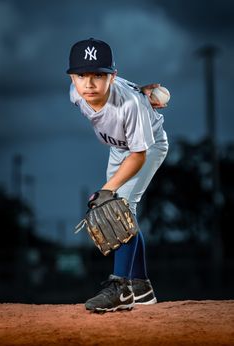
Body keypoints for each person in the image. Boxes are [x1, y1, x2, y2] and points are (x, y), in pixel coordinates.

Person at [67, 38, 169, 312]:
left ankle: (121, 289)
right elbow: (113, 82)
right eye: (80, 75)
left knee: (117, 207)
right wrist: (139, 87)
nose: (88, 84)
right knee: (126, 211)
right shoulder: (76, 94)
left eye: (98, 75)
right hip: (118, 146)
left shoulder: (130, 106)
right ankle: (141, 286)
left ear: (111, 76)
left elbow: (139, 155)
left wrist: (107, 189)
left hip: (147, 146)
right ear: (72, 77)